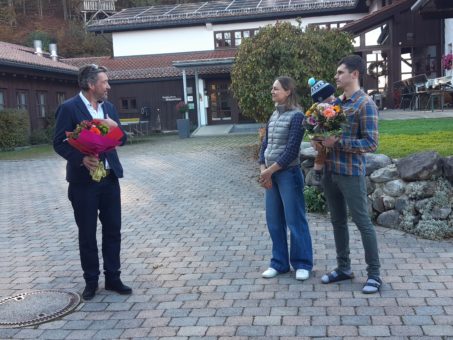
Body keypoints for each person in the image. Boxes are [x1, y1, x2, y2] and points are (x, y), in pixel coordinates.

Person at [53, 64, 132, 300]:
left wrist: (116, 129)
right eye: (104, 82)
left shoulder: (108, 107)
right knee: (87, 233)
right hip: (83, 183)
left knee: (113, 230)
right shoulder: (69, 108)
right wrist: (81, 158)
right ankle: (91, 281)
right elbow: (59, 142)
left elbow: (123, 140)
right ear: (91, 85)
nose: (108, 86)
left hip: (109, 179)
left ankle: (113, 278)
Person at [317, 55, 382, 294]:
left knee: (363, 223)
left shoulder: (366, 104)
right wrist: (321, 142)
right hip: (331, 171)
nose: (336, 76)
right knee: (337, 221)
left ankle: (374, 275)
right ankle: (343, 268)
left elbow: (371, 143)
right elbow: (330, 135)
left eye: (340, 72)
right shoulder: (337, 104)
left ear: (354, 74)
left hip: (351, 173)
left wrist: (339, 142)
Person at [259, 76, 313, 281]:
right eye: (272, 88)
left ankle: (302, 264)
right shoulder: (273, 115)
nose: (272, 91)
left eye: (276, 88)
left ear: (288, 91)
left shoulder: (297, 116)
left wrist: (269, 171)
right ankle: (279, 263)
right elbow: (264, 145)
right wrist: (263, 169)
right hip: (270, 174)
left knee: (295, 220)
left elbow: (291, 151)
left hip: (288, 174)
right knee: (273, 220)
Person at [307, 77, 337, 184]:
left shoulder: (333, 106)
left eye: (333, 95)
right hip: (320, 134)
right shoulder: (318, 109)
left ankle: (318, 170)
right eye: (330, 96)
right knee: (321, 152)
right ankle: (317, 171)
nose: (333, 98)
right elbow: (310, 122)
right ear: (321, 98)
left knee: (322, 152)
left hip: (329, 133)